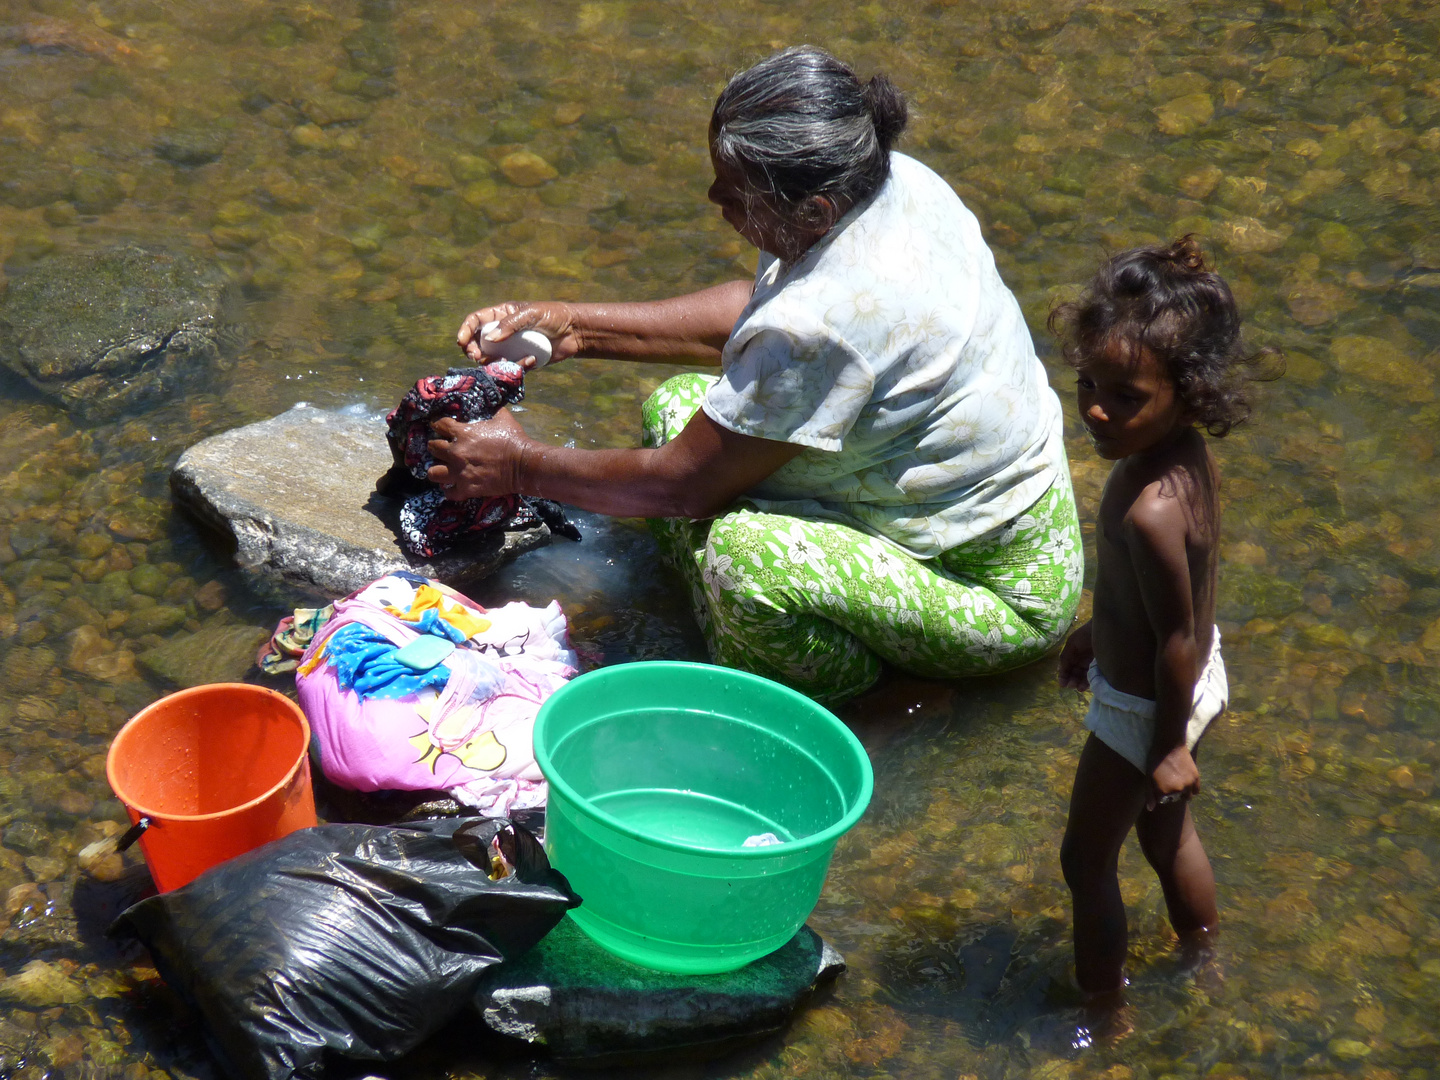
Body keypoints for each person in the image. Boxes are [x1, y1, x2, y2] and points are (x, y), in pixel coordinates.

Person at [428, 45, 1083, 705]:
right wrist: (576, 326)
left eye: (734, 190)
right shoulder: (892, 180)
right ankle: (766, 622)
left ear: (816, 211)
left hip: (991, 591)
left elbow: (691, 480)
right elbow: (766, 317)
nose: (713, 197)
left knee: (744, 561)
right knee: (679, 408)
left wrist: (519, 466)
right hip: (973, 505)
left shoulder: (828, 315)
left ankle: (857, 704)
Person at [1052, 237, 1279, 997]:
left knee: (1084, 862)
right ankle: (1201, 960)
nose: (1094, 407)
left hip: (1151, 701)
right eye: (1087, 382)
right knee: (1163, 830)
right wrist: (1095, 628)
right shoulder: (1179, 459)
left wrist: (1167, 747)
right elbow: (1165, 609)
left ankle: (1103, 1014)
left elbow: (1173, 638)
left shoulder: (1149, 509)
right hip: (1189, 673)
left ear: (1188, 391)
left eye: (1125, 396)